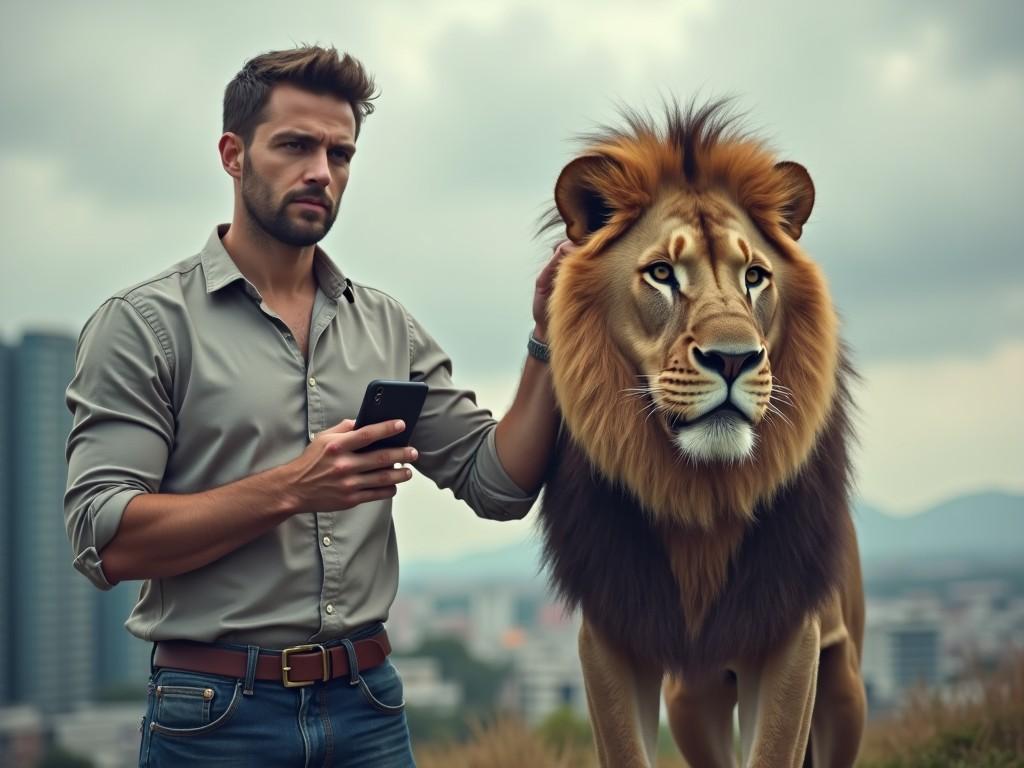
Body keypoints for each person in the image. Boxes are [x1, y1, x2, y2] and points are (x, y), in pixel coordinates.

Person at [64, 45, 565, 767]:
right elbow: (105, 539)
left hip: (370, 707)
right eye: (295, 146)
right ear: (232, 154)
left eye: (340, 153)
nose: (321, 173)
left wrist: (547, 337)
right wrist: (295, 488)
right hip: (214, 716)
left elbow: (500, 485)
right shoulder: (145, 325)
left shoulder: (386, 327)